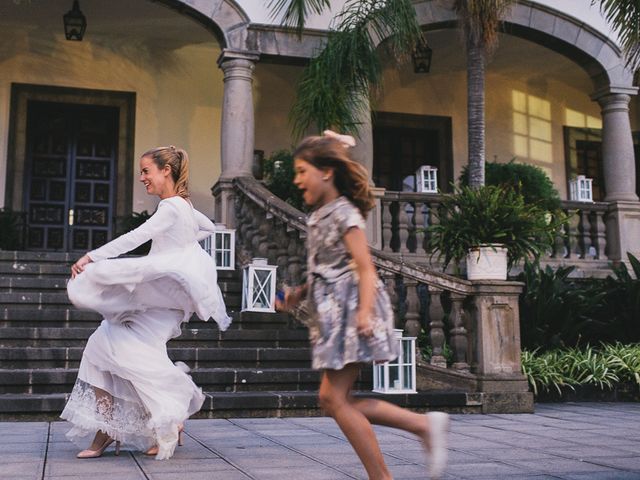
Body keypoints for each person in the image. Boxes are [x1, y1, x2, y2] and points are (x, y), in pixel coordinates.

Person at [277, 132, 449, 480]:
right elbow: (328, 268)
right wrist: (299, 293)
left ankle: (389, 467)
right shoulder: (321, 214)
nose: (296, 180)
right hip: (332, 311)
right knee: (333, 398)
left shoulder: (345, 213)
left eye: (301, 170)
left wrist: (364, 311)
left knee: (333, 398)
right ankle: (422, 426)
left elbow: (365, 266)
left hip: (350, 309)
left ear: (326, 171)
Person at [60, 146, 231, 460]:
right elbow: (207, 228)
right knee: (105, 347)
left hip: (158, 301)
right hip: (163, 301)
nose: (142, 178)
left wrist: (91, 257)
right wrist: (180, 259)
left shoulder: (171, 207)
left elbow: (135, 237)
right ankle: (125, 425)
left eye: (146, 171)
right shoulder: (183, 206)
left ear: (166, 170)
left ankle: (161, 418)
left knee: (116, 351)